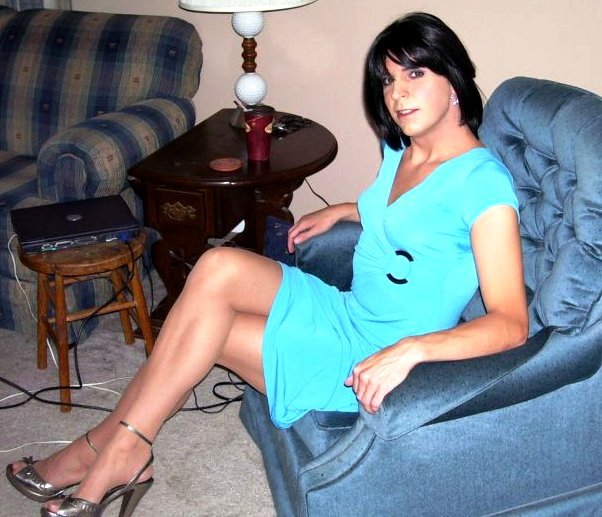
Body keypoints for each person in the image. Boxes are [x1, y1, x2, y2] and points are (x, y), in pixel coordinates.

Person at [6, 12, 528, 516]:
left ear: (453, 79)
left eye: (415, 74)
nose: (397, 94)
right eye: (388, 79)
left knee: (203, 329)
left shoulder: (484, 186)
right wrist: (349, 210)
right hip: (345, 309)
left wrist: (414, 350)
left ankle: (109, 450)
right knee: (219, 265)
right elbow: (413, 218)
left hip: (372, 353)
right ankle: (119, 450)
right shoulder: (404, 148)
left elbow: (511, 322)